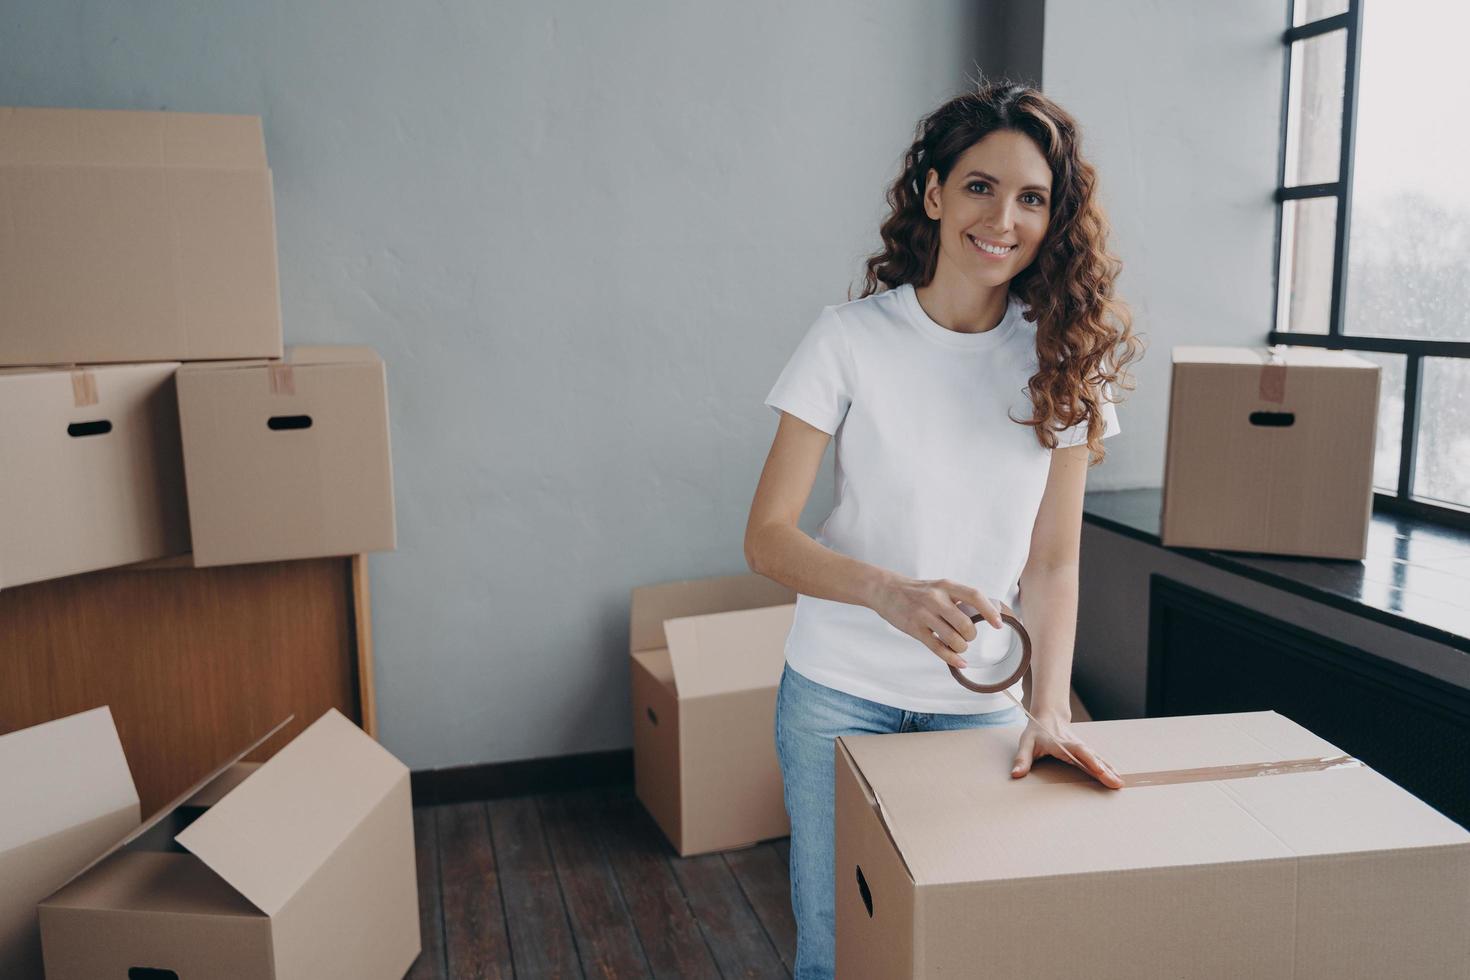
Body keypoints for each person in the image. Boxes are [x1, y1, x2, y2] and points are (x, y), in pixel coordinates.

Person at [743, 79, 1145, 978]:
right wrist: (889, 592)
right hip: (836, 696)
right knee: (836, 946)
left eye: (1032, 197)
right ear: (933, 194)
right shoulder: (846, 339)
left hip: (979, 705)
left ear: (1054, 218)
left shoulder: (1065, 362)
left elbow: (1053, 564)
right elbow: (767, 537)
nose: (1003, 216)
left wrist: (1044, 709)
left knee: (968, 950)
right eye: (979, 186)